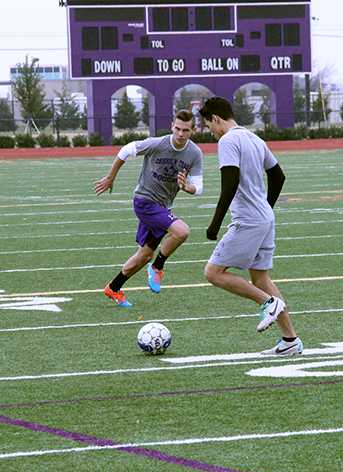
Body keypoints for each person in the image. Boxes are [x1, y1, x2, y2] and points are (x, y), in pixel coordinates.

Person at [197, 97, 302, 357]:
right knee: (260, 278)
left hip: (248, 220)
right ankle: (290, 340)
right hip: (264, 218)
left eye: (208, 125)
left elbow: (229, 183)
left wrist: (215, 224)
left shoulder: (228, 141)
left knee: (213, 272)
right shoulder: (255, 139)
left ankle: (267, 303)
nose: (210, 131)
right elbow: (278, 176)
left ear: (217, 119)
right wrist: (265, 208)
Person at [93, 110, 203, 307]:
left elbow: (199, 187)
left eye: (185, 130)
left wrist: (188, 187)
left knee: (144, 255)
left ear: (193, 130)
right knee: (182, 231)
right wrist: (110, 177)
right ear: (171, 126)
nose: (180, 134)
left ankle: (113, 287)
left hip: (163, 206)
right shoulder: (157, 143)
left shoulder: (194, 153)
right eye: (177, 128)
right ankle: (157, 267)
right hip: (144, 202)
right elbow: (126, 150)